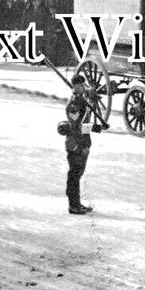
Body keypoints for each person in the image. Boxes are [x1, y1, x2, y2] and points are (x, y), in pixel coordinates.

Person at [62, 74, 102, 215]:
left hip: (82, 141)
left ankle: (76, 202)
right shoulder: (74, 103)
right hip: (76, 143)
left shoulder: (81, 100)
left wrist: (97, 128)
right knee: (74, 175)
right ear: (74, 87)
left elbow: (84, 123)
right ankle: (73, 206)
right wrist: (84, 144)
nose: (82, 88)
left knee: (78, 174)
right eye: (79, 86)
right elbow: (76, 126)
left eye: (83, 85)